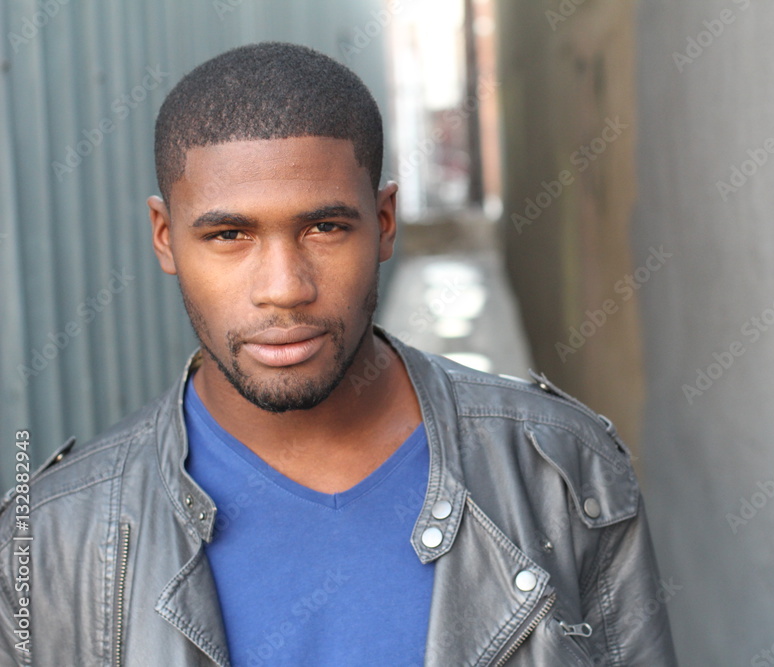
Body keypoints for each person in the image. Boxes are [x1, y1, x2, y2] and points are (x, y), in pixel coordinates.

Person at [0, 42, 676, 666]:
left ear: (384, 223)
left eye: (324, 227)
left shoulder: (562, 474)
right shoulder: (51, 541)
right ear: (165, 238)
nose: (284, 289)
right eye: (230, 235)